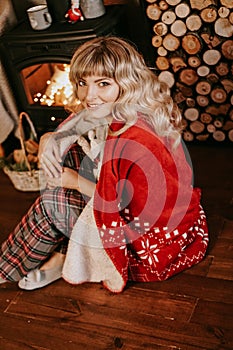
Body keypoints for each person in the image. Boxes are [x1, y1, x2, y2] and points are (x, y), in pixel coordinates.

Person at [0, 36, 209, 293]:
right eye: (82, 83)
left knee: (52, 202)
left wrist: (74, 182)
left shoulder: (133, 140)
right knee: (70, 151)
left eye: (103, 84)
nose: (90, 95)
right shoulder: (125, 110)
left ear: (127, 83)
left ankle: (5, 269)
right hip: (141, 204)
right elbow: (79, 121)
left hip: (148, 237)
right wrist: (48, 139)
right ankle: (64, 252)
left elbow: (121, 204)